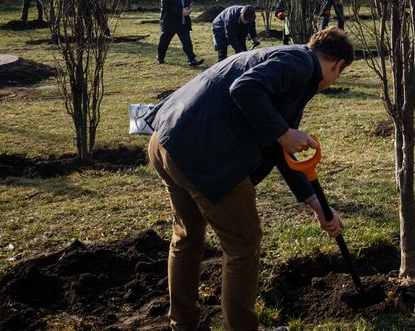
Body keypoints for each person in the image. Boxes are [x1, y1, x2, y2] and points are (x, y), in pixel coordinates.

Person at [146, 27, 354, 330]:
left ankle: (184, 324)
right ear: (337, 65)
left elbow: (279, 151)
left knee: (187, 238)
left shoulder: (285, 62)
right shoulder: (300, 65)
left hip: (167, 141)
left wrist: (316, 206)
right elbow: (245, 88)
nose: (333, 82)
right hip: (204, 157)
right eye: (339, 75)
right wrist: (284, 133)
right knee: (244, 244)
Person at [158, 0, 203, 67]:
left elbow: (189, 2)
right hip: (170, 22)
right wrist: (180, 11)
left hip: (183, 22)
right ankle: (160, 58)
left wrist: (189, 10)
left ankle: (192, 60)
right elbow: (166, 7)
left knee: (187, 43)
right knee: (164, 43)